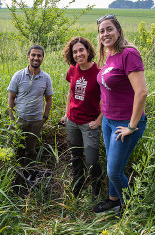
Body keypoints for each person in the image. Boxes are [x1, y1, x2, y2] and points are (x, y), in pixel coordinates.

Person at [93, 14, 147, 214]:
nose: (105, 34)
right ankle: (113, 199)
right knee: (113, 165)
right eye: (101, 31)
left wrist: (132, 126)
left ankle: (130, 207)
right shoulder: (109, 54)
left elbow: (141, 92)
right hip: (109, 120)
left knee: (114, 171)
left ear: (118, 30)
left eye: (109, 29)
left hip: (126, 122)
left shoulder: (128, 54)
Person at [60, 36, 103, 195]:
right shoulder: (72, 69)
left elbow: (107, 99)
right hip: (72, 121)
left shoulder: (98, 72)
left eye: (81, 50)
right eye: (75, 52)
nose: (78, 54)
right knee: (75, 155)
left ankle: (95, 191)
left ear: (88, 51)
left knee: (92, 160)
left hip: (89, 123)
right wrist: (66, 114)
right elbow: (70, 92)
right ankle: (77, 185)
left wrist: (98, 121)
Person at [7, 44, 53, 171]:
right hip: (19, 120)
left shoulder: (46, 78)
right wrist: (12, 118)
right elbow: (11, 98)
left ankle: (30, 174)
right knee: (14, 148)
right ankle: (13, 174)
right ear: (28, 57)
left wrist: (44, 117)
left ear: (43, 58)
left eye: (39, 55)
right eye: (33, 55)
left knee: (31, 151)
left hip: (36, 121)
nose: (36, 58)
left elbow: (48, 100)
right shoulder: (18, 76)